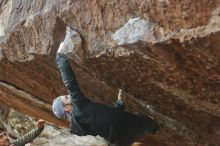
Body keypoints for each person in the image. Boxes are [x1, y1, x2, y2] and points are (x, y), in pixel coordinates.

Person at [52, 41, 159, 146]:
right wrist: (60, 56)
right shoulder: (80, 108)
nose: (69, 95)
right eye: (66, 98)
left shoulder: (77, 130)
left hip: (121, 142)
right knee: (146, 120)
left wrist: (119, 105)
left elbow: (103, 121)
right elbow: (70, 83)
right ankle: (155, 128)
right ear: (66, 108)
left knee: (139, 125)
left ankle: (153, 129)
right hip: (131, 125)